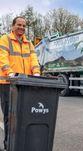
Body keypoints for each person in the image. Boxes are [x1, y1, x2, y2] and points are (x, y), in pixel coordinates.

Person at [0, 16, 40, 151]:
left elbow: (34, 60)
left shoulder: (29, 44)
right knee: (9, 116)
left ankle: (22, 143)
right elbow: (2, 58)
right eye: (19, 25)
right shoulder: (5, 39)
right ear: (12, 26)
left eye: (24, 25)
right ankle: (9, 144)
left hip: (24, 84)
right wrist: (10, 73)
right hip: (7, 83)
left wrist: (36, 73)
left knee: (24, 115)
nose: (21, 28)